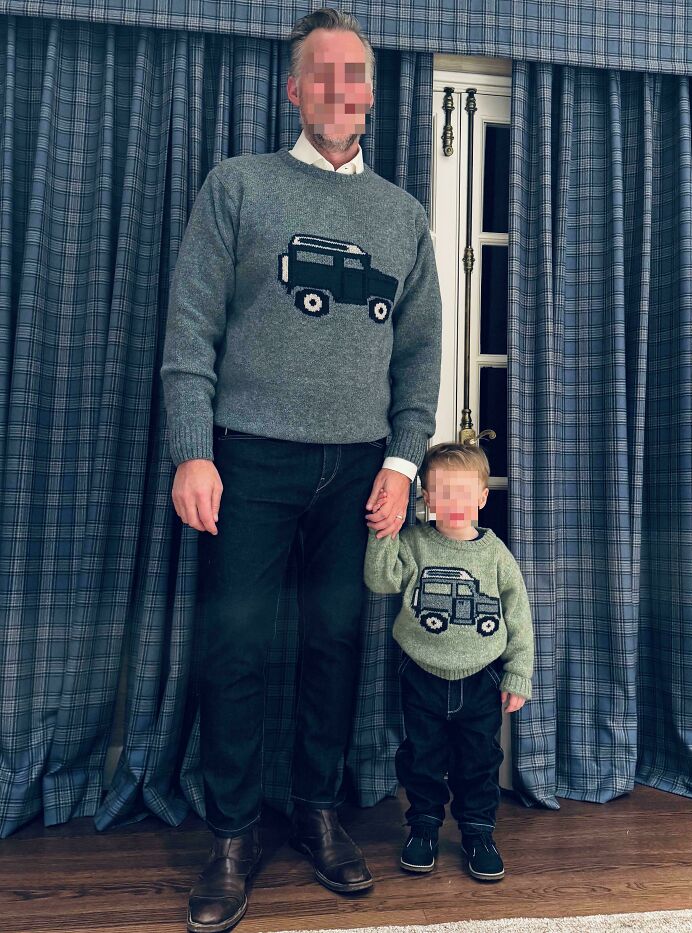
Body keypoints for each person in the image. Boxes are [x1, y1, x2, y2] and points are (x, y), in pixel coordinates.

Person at [160, 8, 442, 931]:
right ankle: (233, 831)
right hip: (247, 460)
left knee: (334, 647)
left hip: (361, 467)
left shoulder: (402, 216)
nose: (336, 88)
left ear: (369, 91)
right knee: (234, 648)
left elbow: (419, 355)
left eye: (351, 72)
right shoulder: (237, 186)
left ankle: (319, 811)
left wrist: (403, 463)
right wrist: (192, 449)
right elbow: (190, 332)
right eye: (318, 72)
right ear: (293, 89)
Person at [363, 443, 533, 881]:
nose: (452, 504)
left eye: (462, 493)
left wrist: (517, 673)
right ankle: (423, 827)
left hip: (482, 677)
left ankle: (478, 831)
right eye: (441, 493)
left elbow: (518, 617)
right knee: (421, 756)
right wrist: (384, 531)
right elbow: (382, 581)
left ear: (481, 497)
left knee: (478, 759)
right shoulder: (416, 543)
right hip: (420, 673)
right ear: (427, 499)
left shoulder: (495, 554)